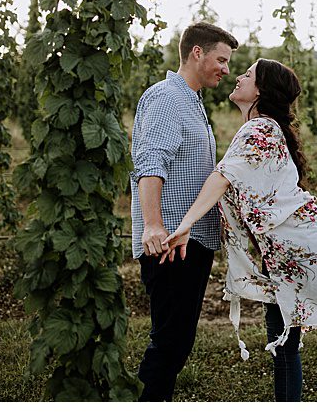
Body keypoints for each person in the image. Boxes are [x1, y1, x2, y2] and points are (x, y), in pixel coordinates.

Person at [158, 58, 317, 402]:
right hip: (280, 250)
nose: (238, 77)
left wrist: (185, 225)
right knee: (284, 340)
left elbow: (221, 177)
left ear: (261, 89)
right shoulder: (260, 128)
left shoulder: (259, 128)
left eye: (247, 74)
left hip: (300, 246)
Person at [131, 22, 238, 401]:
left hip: (192, 240)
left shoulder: (190, 101)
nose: (226, 69)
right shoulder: (167, 98)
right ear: (197, 52)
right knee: (169, 344)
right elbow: (150, 163)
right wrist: (153, 225)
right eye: (221, 59)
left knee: (176, 343)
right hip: (171, 243)